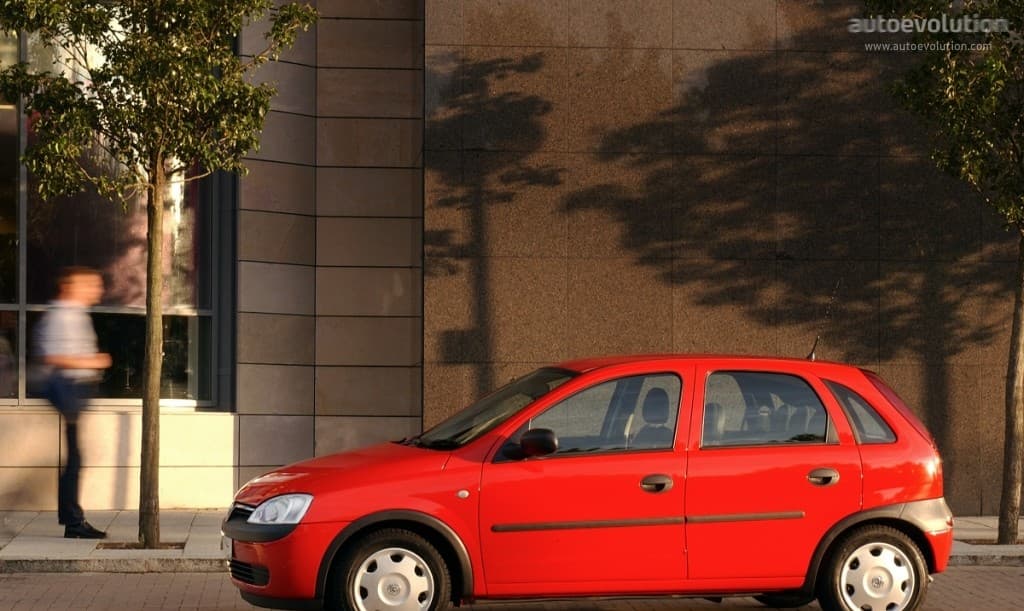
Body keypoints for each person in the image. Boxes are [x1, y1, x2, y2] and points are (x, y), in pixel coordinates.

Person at [33, 266, 112, 539]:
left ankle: (73, 520)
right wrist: (93, 361)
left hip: (75, 389)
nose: (96, 289)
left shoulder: (76, 314)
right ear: (70, 287)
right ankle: (73, 522)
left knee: (76, 458)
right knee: (76, 459)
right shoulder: (62, 316)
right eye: (89, 284)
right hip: (67, 390)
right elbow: (51, 357)